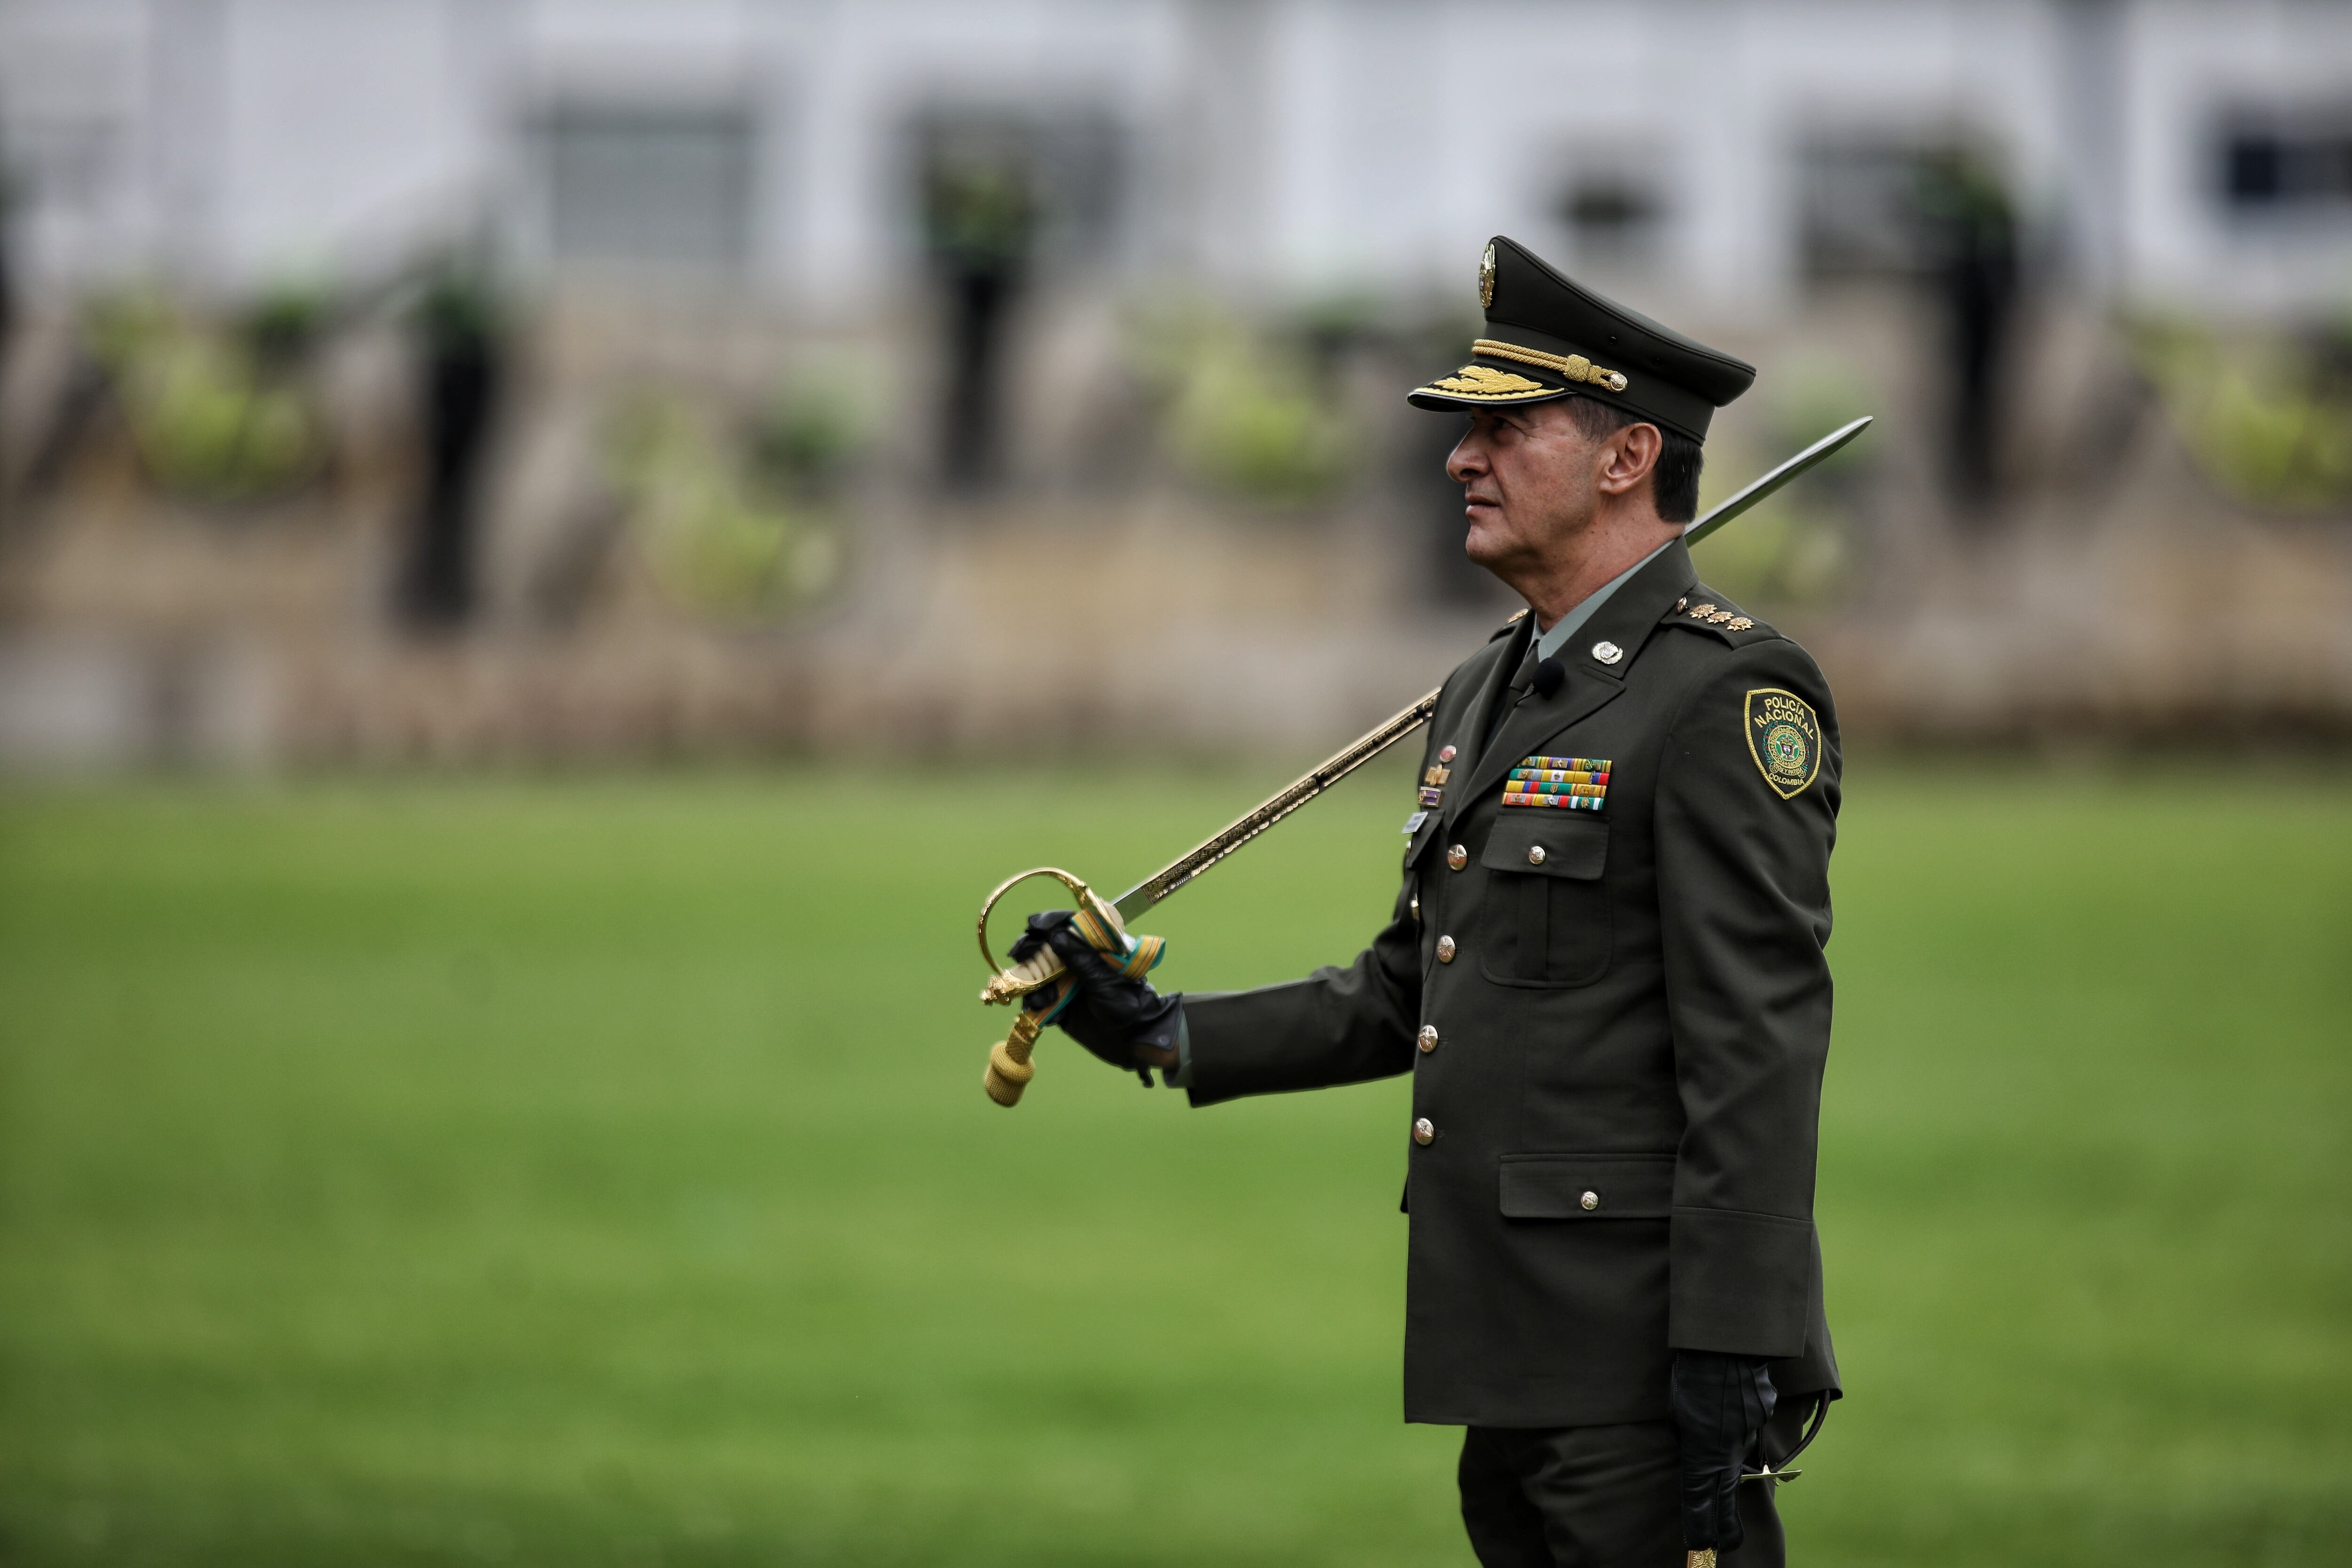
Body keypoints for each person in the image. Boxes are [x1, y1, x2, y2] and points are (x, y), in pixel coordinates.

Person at [1015, 235, 1841, 1568]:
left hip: (1640, 1358)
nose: (1459, 457)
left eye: (1504, 429)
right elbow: (1416, 988)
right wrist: (1167, 1034)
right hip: (1503, 1350)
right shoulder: (1489, 688)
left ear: (1628, 458)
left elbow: (1759, 1045)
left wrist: (1737, 1343)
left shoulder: (1724, 700)